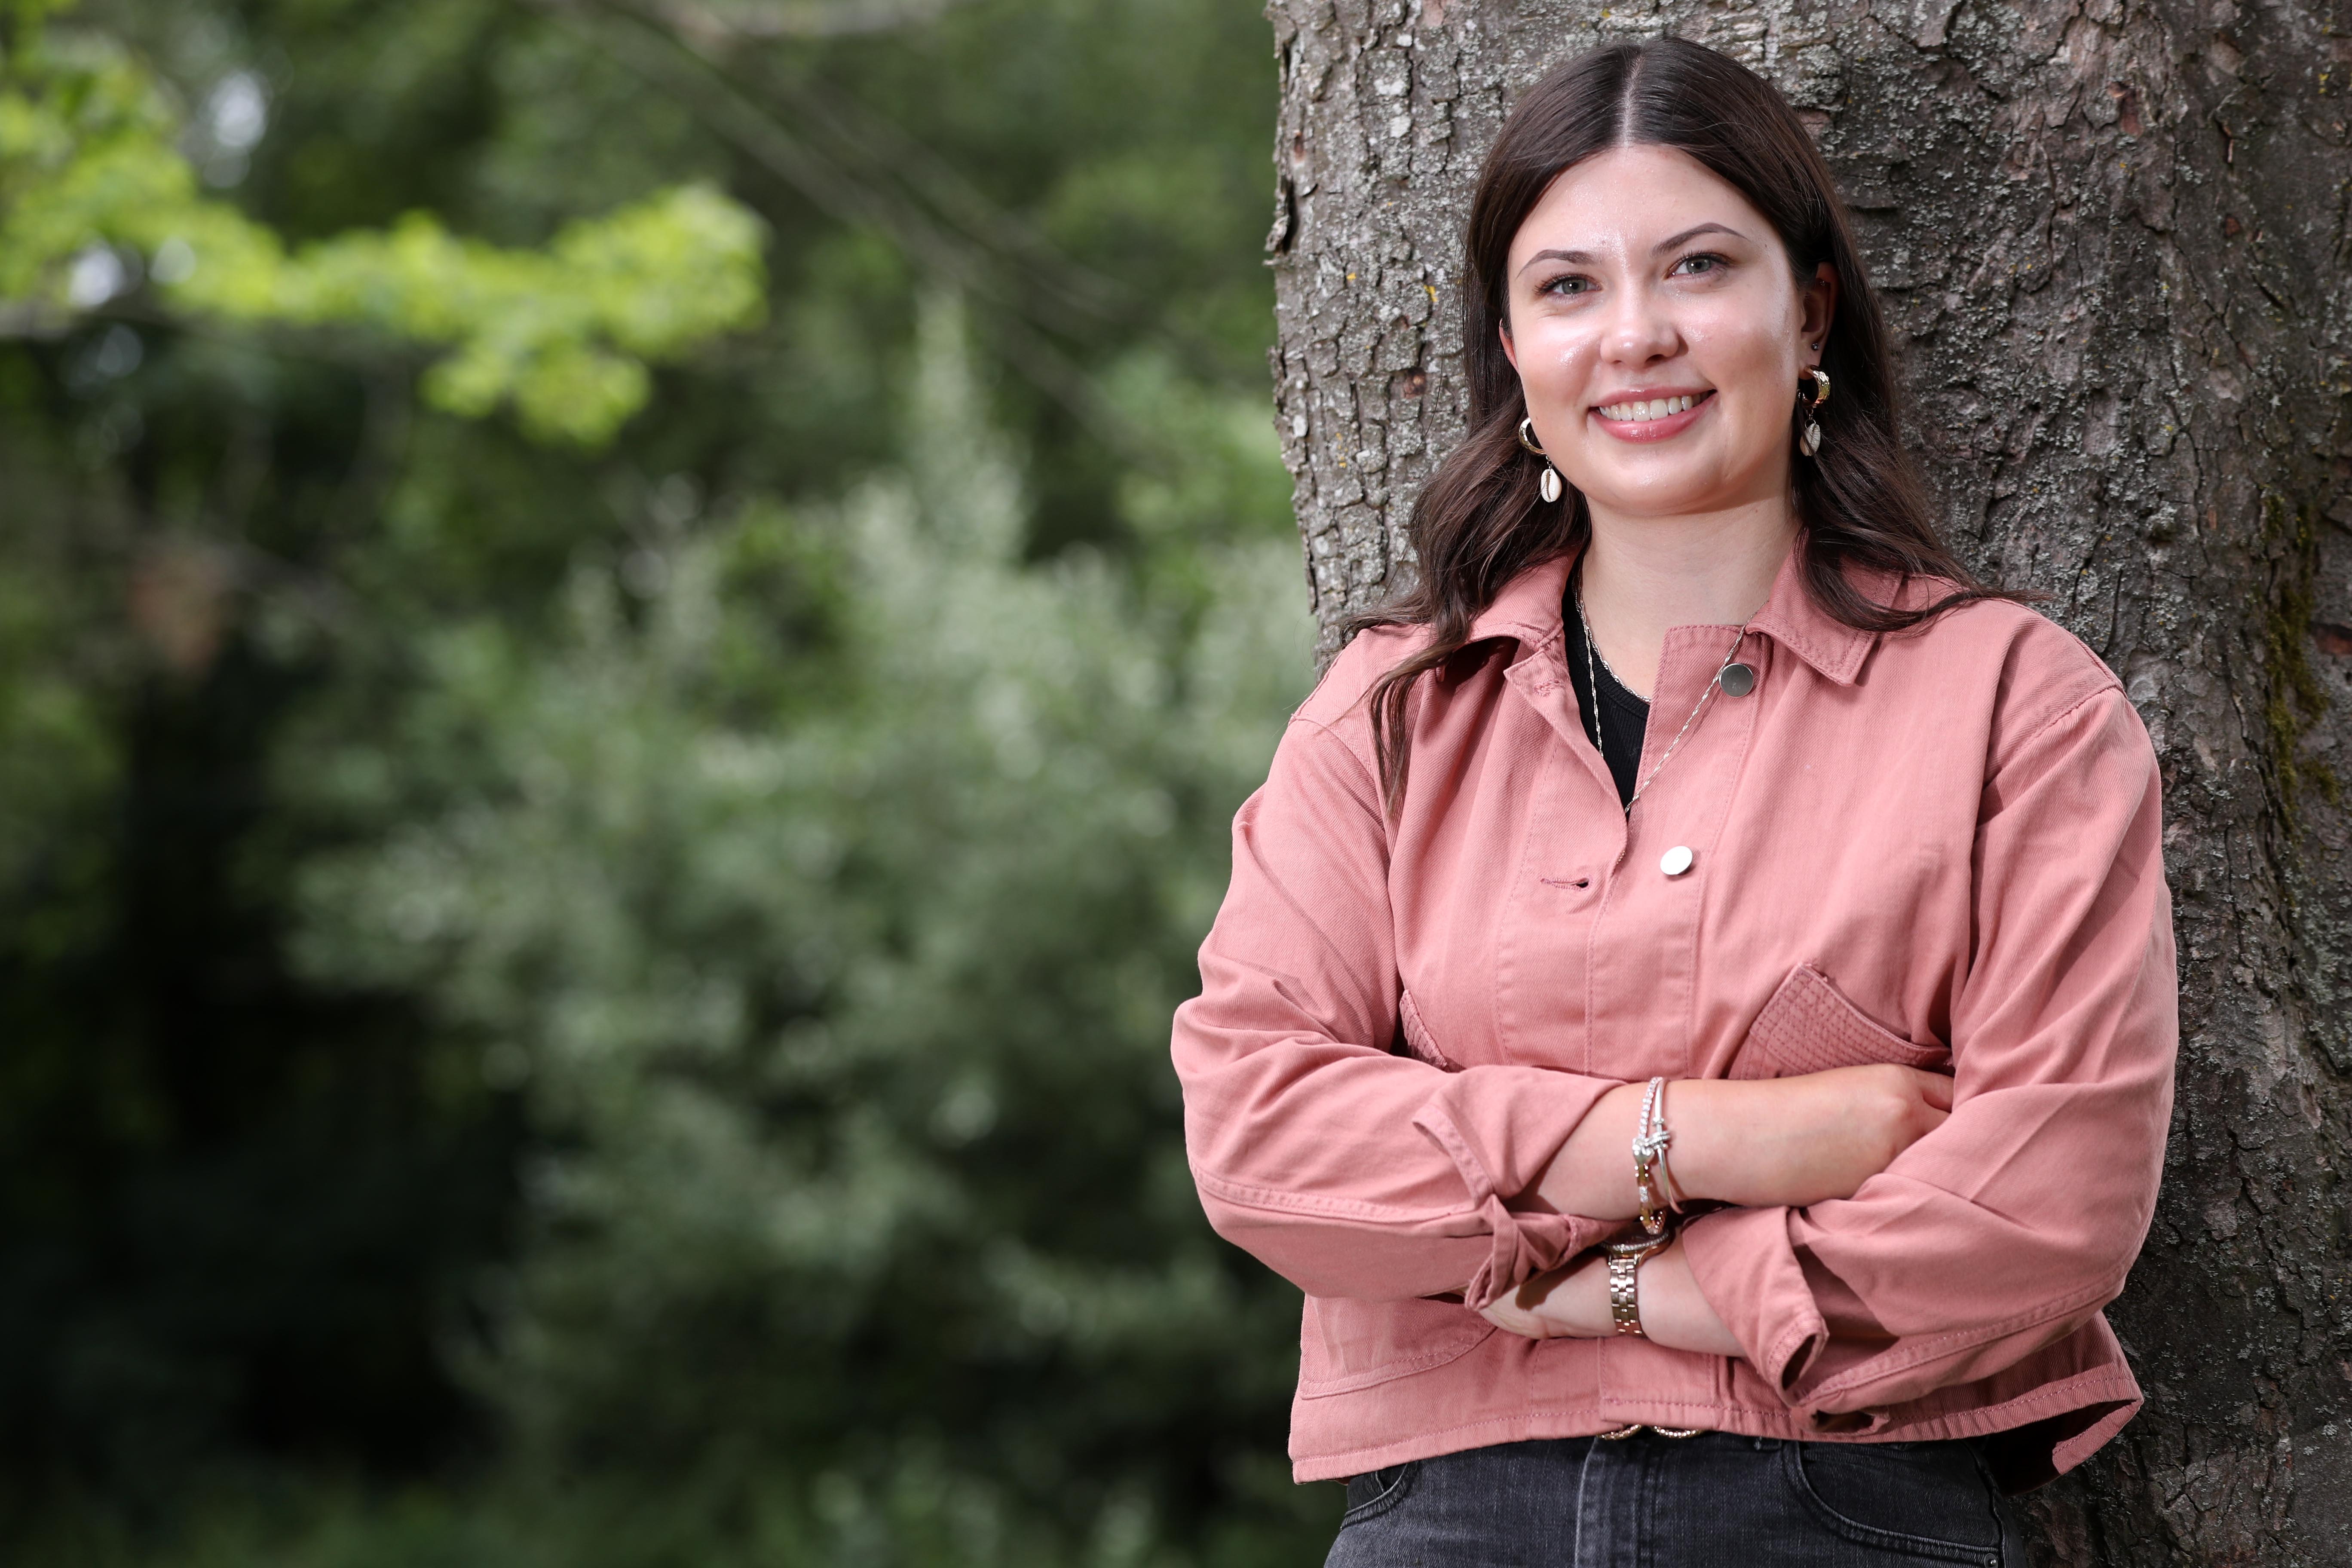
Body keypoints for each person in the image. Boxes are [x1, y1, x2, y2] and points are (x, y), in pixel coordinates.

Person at [1170, 36, 2177, 1567]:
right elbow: (1260, 1135)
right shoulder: (1389, 711)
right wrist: (1716, 1138)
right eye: (1569, 287)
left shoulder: (2012, 705)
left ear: (1810, 305)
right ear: (1511, 349)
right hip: (1446, 1515)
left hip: (1848, 1516)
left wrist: (1620, 1294)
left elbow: (2047, 1205)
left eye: (1697, 267)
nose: (1635, 336)